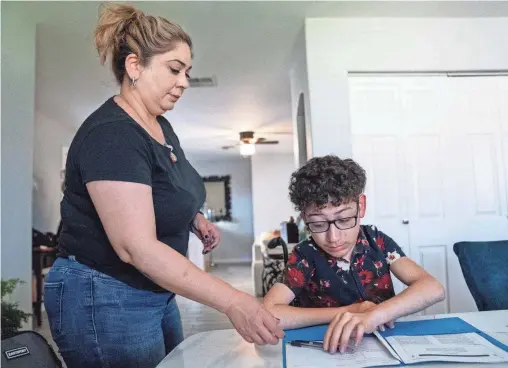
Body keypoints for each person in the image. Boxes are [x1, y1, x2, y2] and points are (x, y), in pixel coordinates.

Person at [44, 3, 283, 367]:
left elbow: (171, 187)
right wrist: (235, 301)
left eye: (188, 71)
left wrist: (193, 218)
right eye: (174, 69)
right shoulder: (113, 135)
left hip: (154, 291)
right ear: (135, 66)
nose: (184, 82)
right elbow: (136, 249)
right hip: (103, 293)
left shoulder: (160, 126)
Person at [263, 155, 445, 354]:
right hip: (326, 349)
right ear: (305, 217)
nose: (333, 237)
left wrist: (374, 315)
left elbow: (433, 288)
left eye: (344, 219)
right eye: (318, 224)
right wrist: (350, 311)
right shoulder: (304, 255)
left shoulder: (377, 241)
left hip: (385, 346)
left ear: (361, 206)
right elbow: (270, 313)